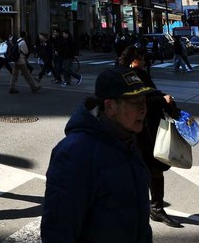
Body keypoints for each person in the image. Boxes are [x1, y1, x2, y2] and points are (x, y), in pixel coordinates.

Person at [42, 65, 154, 242]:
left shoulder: (128, 140)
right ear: (110, 107)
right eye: (135, 102)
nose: (143, 109)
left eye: (144, 101)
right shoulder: (74, 154)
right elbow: (58, 232)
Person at [120, 46, 183, 228]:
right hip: (144, 128)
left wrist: (162, 97)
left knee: (148, 167)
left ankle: (153, 207)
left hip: (140, 126)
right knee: (153, 167)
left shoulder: (132, 73)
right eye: (142, 58)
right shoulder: (133, 75)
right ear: (134, 59)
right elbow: (142, 98)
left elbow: (149, 93)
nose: (146, 60)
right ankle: (155, 208)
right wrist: (163, 100)